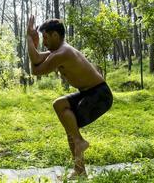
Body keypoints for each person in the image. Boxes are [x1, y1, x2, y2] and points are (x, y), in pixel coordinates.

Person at [26, 15, 113, 178]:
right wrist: (33, 42)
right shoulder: (58, 51)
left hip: (100, 95)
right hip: (88, 93)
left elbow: (36, 70)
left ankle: (79, 150)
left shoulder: (63, 53)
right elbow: (36, 59)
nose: (44, 42)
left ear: (55, 36)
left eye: (45, 38)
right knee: (60, 107)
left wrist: (29, 40)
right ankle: (79, 169)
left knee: (70, 126)